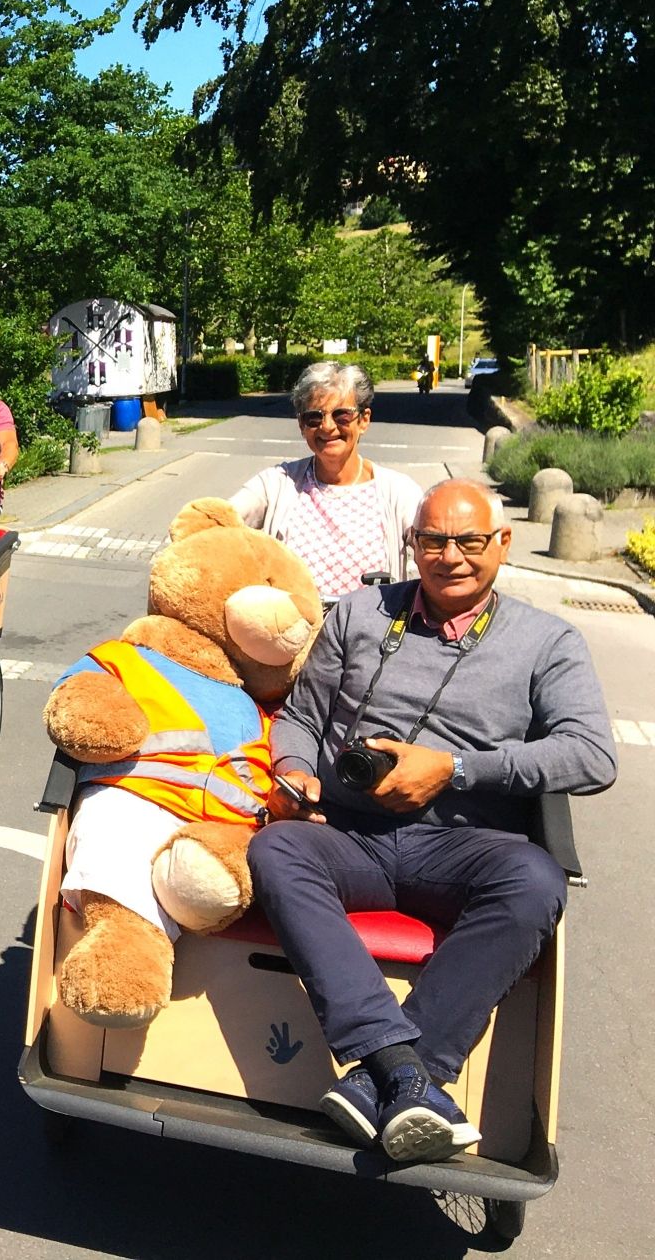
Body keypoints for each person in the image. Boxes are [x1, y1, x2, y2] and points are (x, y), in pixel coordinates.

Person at [251, 479, 615, 1164]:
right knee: (276, 851)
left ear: (502, 544)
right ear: (412, 543)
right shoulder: (360, 614)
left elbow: (592, 755)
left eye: (470, 541)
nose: (450, 556)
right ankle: (405, 1073)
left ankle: (383, 1076)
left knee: (537, 882)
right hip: (349, 835)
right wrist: (296, 771)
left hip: (465, 846)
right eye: (433, 540)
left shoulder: (548, 641)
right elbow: (301, 717)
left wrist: (452, 769)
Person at [229, 361, 423, 597]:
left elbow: (434, 550)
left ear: (363, 420)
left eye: (342, 415)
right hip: (295, 631)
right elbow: (217, 521)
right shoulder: (277, 484)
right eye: (314, 417)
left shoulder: (400, 493)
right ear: (302, 425)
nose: (328, 427)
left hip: (368, 632)